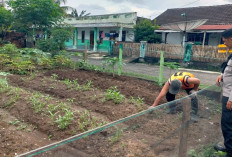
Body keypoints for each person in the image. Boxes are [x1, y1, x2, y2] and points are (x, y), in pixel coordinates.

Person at [215, 28, 232, 157]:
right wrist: (222, 75)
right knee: (227, 122)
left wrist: (231, 99)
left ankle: (230, 152)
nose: (224, 43)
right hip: (227, 93)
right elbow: (228, 68)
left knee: (227, 123)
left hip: (230, 96)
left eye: (225, 40)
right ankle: (228, 147)